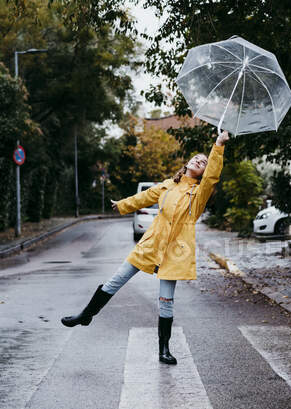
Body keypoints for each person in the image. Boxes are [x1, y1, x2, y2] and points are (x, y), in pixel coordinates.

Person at [61, 130, 230, 365]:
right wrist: (121, 205)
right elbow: (144, 197)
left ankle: (164, 350)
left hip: (175, 252)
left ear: (203, 172)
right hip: (150, 244)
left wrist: (218, 145)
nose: (198, 161)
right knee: (115, 281)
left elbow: (213, 176)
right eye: (196, 158)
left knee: (166, 300)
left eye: (203, 162)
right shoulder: (168, 185)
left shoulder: (199, 193)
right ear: (187, 162)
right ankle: (86, 315)